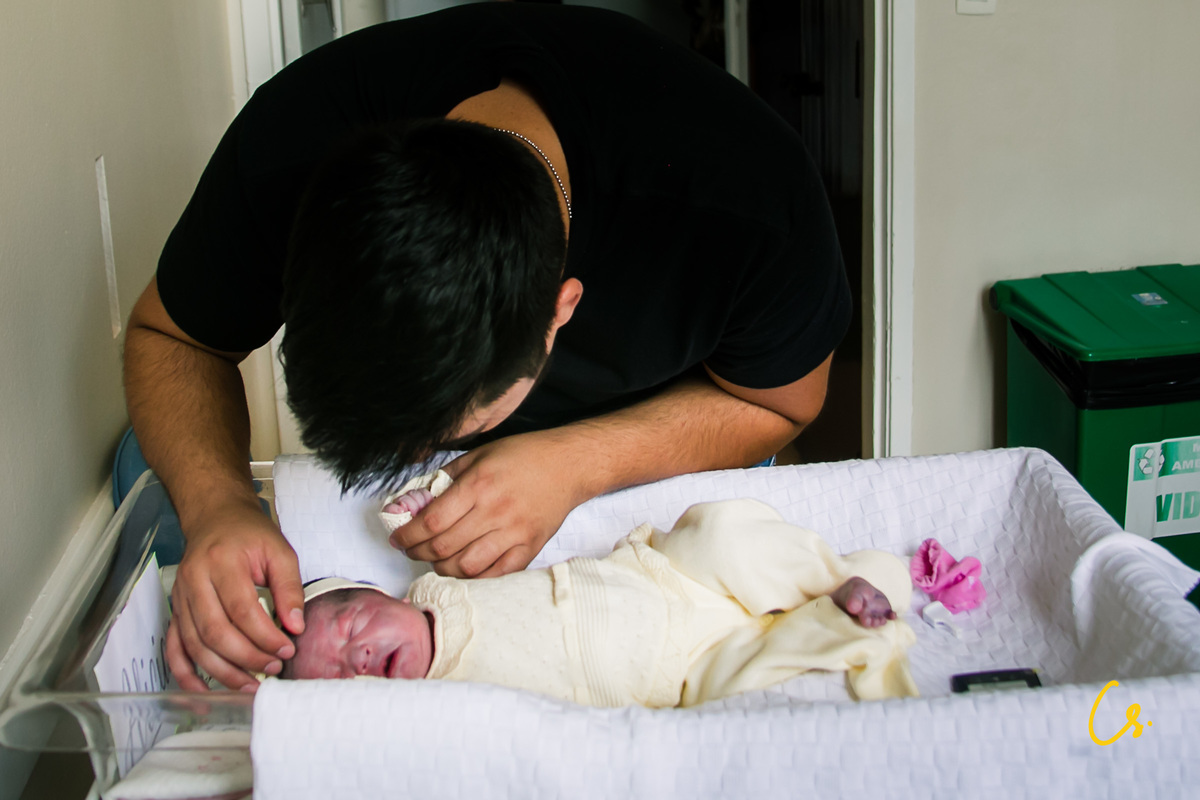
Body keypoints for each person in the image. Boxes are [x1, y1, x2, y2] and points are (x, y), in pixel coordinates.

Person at [125, 3, 852, 692]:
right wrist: (218, 506)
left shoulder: (751, 209)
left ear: (561, 313)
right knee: (143, 467)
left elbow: (784, 406)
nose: (413, 464)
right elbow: (171, 337)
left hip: (666, 440)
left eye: (441, 433)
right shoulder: (292, 143)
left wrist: (577, 464)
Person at [283, 499, 918, 705]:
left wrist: (420, 506)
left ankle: (831, 577)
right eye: (339, 677)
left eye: (351, 626)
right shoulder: (435, 708)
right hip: (677, 677)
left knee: (721, 535)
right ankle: (850, 613)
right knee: (754, 679)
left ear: (381, 595)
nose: (357, 658)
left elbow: (443, 521)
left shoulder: (437, 587)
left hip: (665, 579)